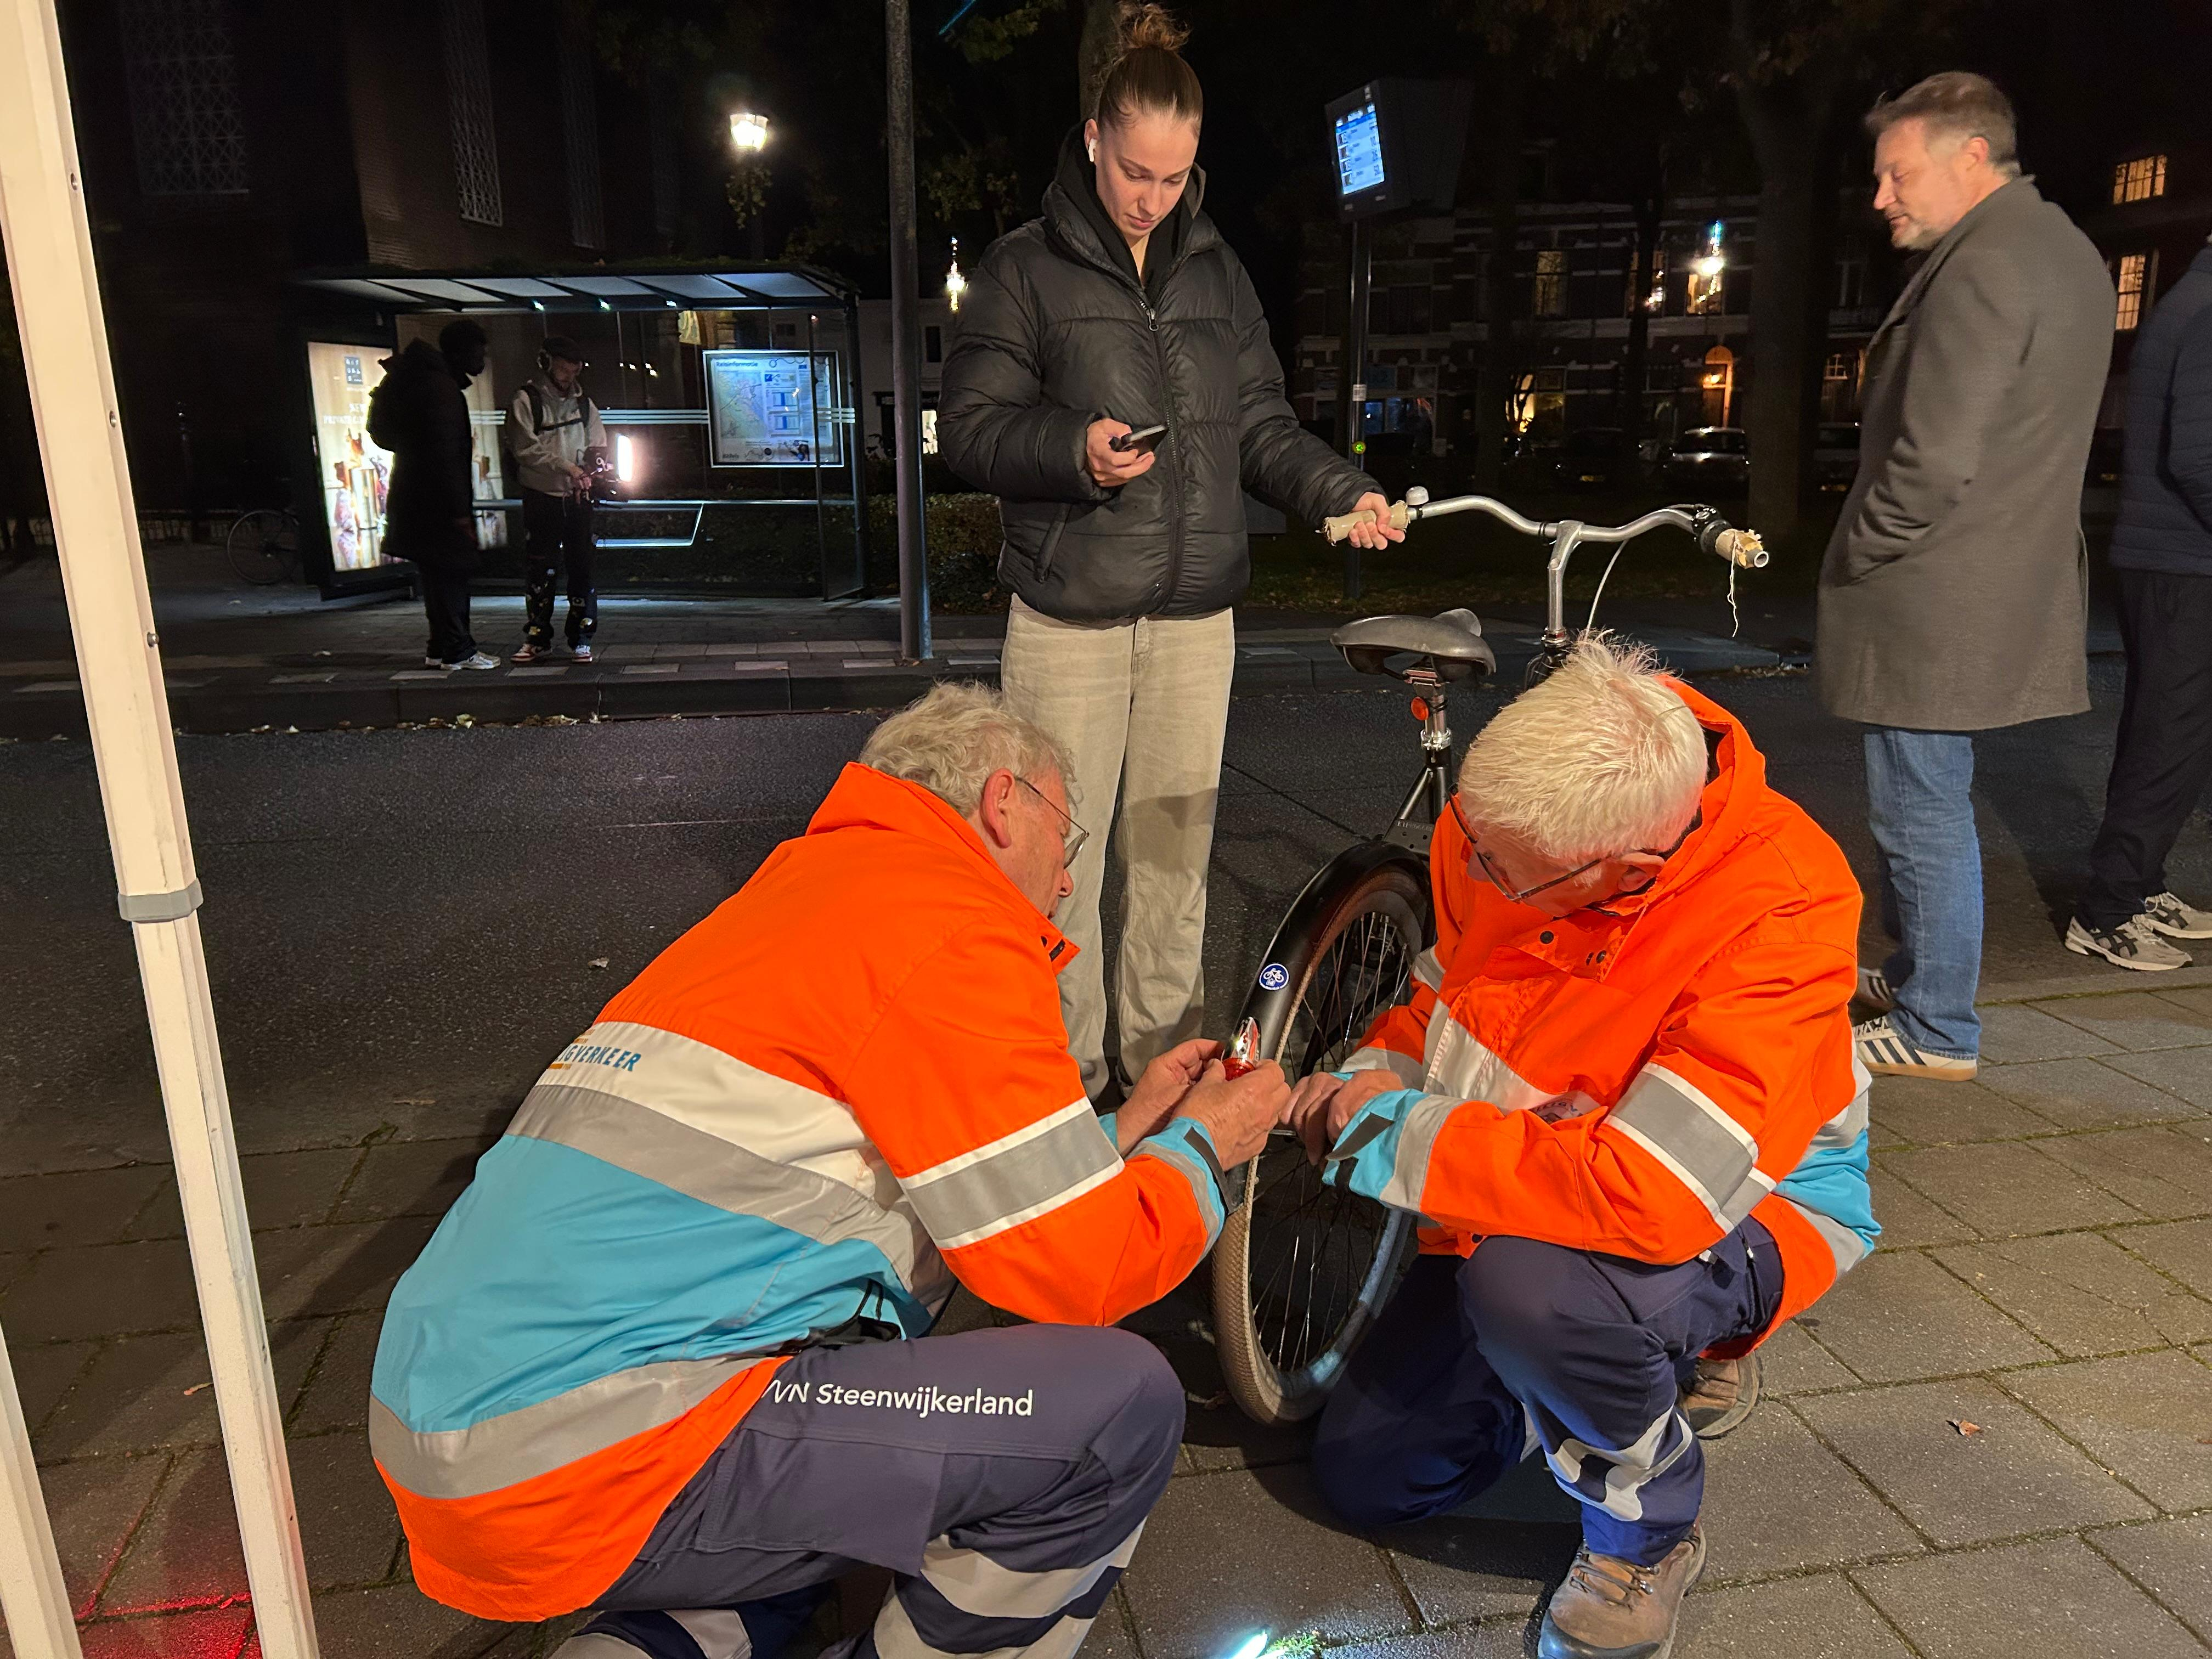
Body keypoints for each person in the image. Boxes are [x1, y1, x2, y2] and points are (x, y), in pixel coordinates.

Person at [370, 683, 1289, 1656]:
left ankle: (668, 1633)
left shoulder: (800, 894)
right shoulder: (951, 922)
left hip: (464, 1432)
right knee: (1117, 1412)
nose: (1066, 881)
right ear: (1004, 801)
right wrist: (1204, 1147)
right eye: (1067, 835)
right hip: (603, 1447)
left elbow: (947, 1194)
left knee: (845, 1451)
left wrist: (1124, 1133)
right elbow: (1080, 1269)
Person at [1294, 637, 1875, 1659]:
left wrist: (1384, 1133)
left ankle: (1647, 1528)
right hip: (1524, 1192)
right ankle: (1594, 1366)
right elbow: (1442, 999)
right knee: (1371, 1479)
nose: (1468, 869)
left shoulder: (1781, 908)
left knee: (1538, 1292)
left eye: (1499, 867)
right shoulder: (1519, 829)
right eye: (1469, 840)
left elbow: (1652, 1194)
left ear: (1627, 871)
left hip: (1747, 1206)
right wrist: (1364, 1078)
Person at [938, 0, 1399, 1105]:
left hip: (1196, 618)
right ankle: (1065, 1084)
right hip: (1069, 612)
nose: (1154, 197)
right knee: (1059, 866)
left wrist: (1345, 491)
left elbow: (1263, 424)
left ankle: (1158, 1076)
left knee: (1172, 861)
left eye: (1175, 175)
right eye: (1137, 171)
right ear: (1095, 137)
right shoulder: (1021, 269)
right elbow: (970, 428)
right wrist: (1074, 451)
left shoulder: (1216, 272)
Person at [1815, 73, 2113, 1080]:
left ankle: (1938, 1022)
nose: (1881, 196)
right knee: (1928, 799)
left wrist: (1859, 549)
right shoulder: (2057, 249)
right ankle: (1916, 980)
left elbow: (1933, 457)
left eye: (1897, 173)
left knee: (1918, 806)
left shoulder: (1984, 266)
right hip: (1989, 576)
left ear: (1968, 155)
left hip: (1935, 586)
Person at [2070, 238, 2212, 970]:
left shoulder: (2189, 298)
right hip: (2181, 564)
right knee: (2169, 739)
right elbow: (2198, 456)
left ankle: (2138, 884)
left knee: (2171, 737)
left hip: (2173, 560)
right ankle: (2110, 909)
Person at [368, 319, 498, 671]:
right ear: (460, 351)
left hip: (414, 497)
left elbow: (381, 434)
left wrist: (411, 453)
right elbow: (446, 457)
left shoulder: (415, 380)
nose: (483, 358)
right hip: (438, 505)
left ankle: (440, 647)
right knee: (453, 575)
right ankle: (458, 650)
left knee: (436, 577)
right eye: (479, 350)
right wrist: (460, 513)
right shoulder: (441, 390)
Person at [508, 335, 606, 664]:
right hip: (542, 495)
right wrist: (567, 467)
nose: (569, 378)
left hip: (579, 496)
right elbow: (526, 449)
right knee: (540, 569)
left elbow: (597, 445)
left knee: (582, 568)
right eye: (563, 371)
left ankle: (581, 637)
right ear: (547, 364)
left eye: (574, 371)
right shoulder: (527, 400)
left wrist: (590, 473)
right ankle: (538, 636)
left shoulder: (584, 404)